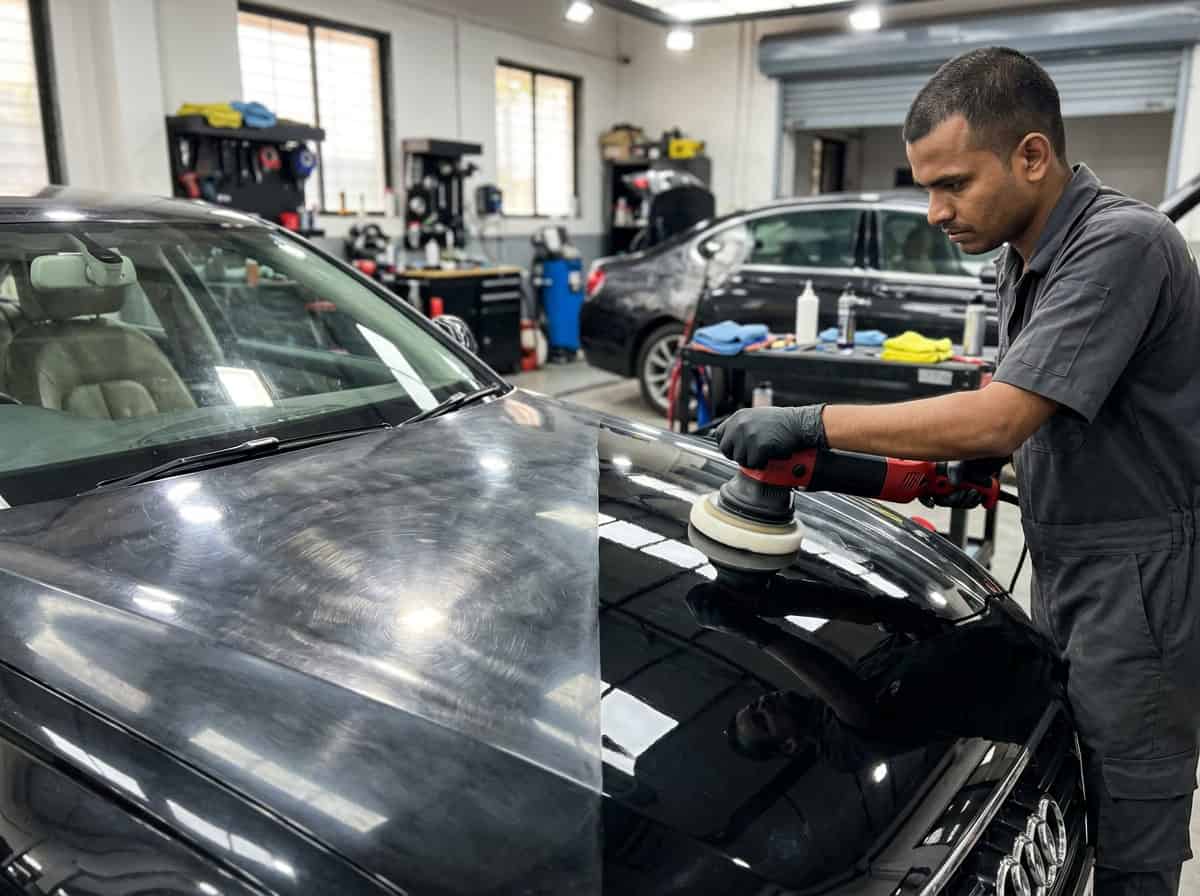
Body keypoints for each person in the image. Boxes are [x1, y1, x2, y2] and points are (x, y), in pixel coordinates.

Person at [713, 46, 1200, 895]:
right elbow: (1018, 405)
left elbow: (1004, 412)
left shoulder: (1124, 242)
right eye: (925, 186)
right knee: (1065, 775)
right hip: (1074, 553)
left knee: (1131, 821)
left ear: (1032, 156)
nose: (935, 211)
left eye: (953, 184)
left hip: (1141, 580)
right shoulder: (1024, 255)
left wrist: (810, 418)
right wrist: (912, 468)